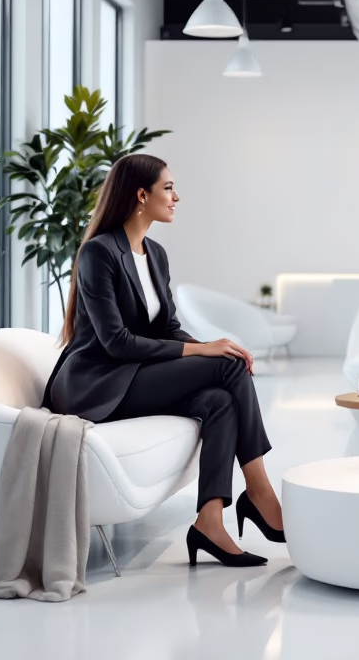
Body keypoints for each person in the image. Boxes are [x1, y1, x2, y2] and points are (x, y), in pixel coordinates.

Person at [43, 153, 283, 568]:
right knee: (226, 366)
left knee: (220, 400)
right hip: (98, 385)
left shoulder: (154, 253)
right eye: (168, 188)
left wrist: (207, 344)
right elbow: (116, 343)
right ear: (141, 195)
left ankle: (210, 521)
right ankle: (260, 490)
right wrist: (205, 351)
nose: (176, 197)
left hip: (135, 377)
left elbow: (168, 327)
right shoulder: (99, 253)